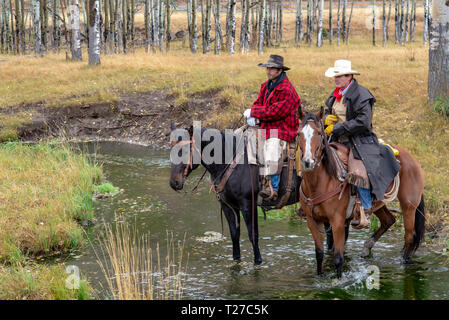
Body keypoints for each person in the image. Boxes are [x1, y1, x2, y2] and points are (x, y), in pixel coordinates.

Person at [323, 59, 400, 228]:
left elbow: (363, 122)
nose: (336, 79)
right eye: (335, 76)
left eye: (340, 76)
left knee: (358, 169)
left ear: (349, 76)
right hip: (336, 140)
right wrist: (325, 120)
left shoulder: (361, 94)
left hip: (360, 141)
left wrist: (337, 128)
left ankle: (365, 208)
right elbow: (328, 112)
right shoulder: (335, 94)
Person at [243, 55, 301, 200]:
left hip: (284, 128)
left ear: (280, 70)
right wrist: (253, 114)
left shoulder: (287, 90)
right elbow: (258, 103)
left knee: (272, 146)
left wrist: (255, 113)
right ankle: (250, 178)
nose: (268, 71)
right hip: (268, 125)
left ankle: (273, 187)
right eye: (267, 68)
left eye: (271, 68)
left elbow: (276, 112)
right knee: (243, 136)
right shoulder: (266, 85)